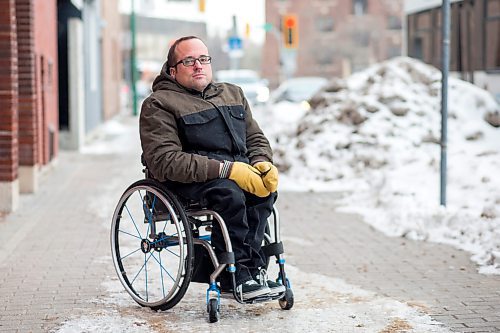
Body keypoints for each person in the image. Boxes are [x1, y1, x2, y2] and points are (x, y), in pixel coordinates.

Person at [139, 36, 285, 301]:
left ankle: (252, 270)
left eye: (203, 59)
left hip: (234, 174)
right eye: (189, 61)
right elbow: (165, 160)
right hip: (189, 182)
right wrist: (226, 170)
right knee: (230, 195)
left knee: (264, 193)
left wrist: (262, 161)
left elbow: (255, 138)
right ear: (173, 71)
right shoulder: (159, 105)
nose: (198, 66)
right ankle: (236, 274)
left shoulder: (233, 93)